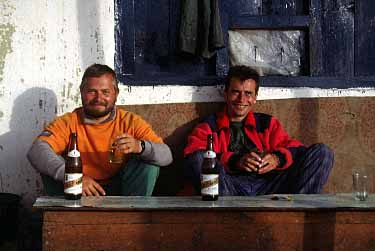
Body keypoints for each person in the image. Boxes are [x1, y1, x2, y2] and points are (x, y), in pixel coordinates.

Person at [184, 65, 334, 196]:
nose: (242, 99)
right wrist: (236, 161)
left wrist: (277, 159)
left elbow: (296, 149)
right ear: (226, 94)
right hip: (230, 188)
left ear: (255, 97)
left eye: (248, 93)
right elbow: (194, 155)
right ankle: (225, 217)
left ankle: (299, 215)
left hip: (270, 185)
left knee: (323, 153)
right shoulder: (208, 126)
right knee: (198, 159)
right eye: (236, 92)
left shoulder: (267, 123)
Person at [27, 63, 172, 196]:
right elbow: (36, 151)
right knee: (49, 164)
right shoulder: (68, 122)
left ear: (116, 93)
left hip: (121, 192)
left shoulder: (130, 121)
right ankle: (65, 219)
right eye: (92, 91)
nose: (98, 98)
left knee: (148, 164)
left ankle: (132, 217)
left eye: (105, 92)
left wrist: (139, 146)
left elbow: (167, 155)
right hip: (78, 191)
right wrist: (74, 178)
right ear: (82, 92)